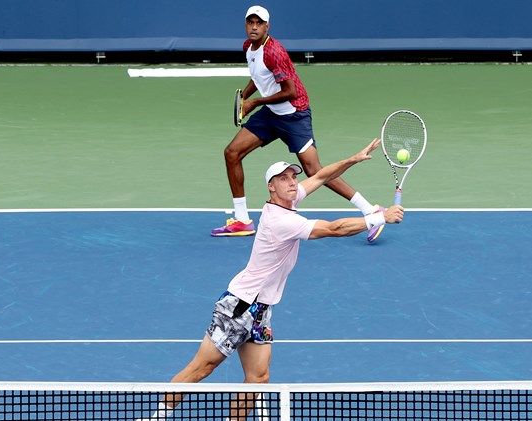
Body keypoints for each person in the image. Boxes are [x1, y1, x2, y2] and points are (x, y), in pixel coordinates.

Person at [142, 138, 403, 421]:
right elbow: (335, 228)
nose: (292, 182)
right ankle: (154, 417)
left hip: (262, 310)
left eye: (293, 177)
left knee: (258, 377)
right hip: (239, 307)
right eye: (283, 178)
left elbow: (322, 175)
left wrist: (353, 158)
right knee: (200, 369)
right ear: (271, 187)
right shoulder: (281, 221)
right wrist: (380, 217)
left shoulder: (289, 201)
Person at [211, 5, 386, 244]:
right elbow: (258, 75)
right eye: (250, 22)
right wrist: (245, 96)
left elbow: (290, 91)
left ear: (266, 27)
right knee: (232, 153)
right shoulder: (248, 48)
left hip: (294, 114)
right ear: (245, 25)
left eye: (258, 23)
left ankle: (370, 210)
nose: (254, 27)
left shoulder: (274, 51)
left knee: (314, 170)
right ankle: (242, 220)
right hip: (271, 114)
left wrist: (255, 103)